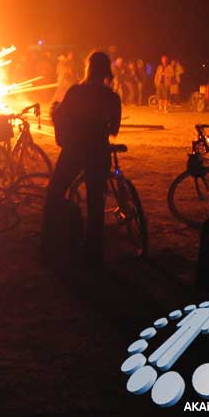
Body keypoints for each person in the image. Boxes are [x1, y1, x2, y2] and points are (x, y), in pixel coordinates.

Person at [43, 51, 121, 263]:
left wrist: (55, 112)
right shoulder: (112, 97)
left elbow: (61, 115)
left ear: (88, 68)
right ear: (106, 71)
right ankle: (93, 253)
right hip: (98, 151)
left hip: (74, 150)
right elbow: (114, 129)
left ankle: (50, 244)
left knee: (55, 192)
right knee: (96, 203)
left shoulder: (76, 92)